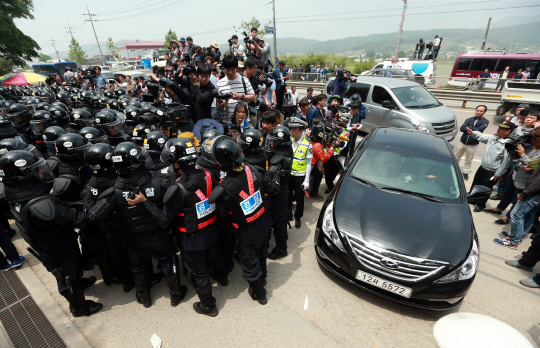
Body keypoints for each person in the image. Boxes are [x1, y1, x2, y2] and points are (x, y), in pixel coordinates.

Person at [0, 150, 103, 316]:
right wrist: (92, 206)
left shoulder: (15, 195)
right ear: (25, 176)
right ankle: (79, 307)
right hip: (57, 246)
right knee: (66, 276)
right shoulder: (40, 204)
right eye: (36, 170)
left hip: (46, 243)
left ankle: (78, 284)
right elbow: (76, 219)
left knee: (67, 271)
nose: (41, 171)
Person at [111, 142, 187, 308]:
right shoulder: (160, 183)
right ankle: (175, 294)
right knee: (168, 263)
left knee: (139, 267)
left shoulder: (113, 190)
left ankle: (144, 297)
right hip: (159, 235)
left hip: (135, 238)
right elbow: (170, 214)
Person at [159, 138, 224, 316]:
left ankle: (208, 305)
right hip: (211, 230)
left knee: (199, 273)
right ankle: (223, 278)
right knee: (214, 257)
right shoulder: (209, 175)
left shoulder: (177, 188)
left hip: (191, 239)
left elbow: (166, 218)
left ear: (176, 162)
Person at [205, 136, 272, 305]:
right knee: (262, 252)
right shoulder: (253, 169)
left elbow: (222, 216)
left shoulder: (224, 189)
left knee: (249, 261)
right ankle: (262, 278)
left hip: (246, 230)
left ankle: (259, 292)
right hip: (263, 221)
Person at [467, 121, 516, 212]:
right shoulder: (493, 137)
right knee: (476, 183)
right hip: (483, 167)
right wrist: (473, 133)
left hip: (493, 171)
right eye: (499, 127)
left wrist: (498, 173)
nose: (498, 129)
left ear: (508, 131)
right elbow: (482, 136)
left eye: (502, 129)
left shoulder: (508, 144)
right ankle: (472, 199)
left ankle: (481, 205)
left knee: (485, 188)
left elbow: (507, 162)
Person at [264, 120, 293, 260]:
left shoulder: (279, 159)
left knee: (278, 221)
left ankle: (281, 248)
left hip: (278, 192)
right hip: (282, 188)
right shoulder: (285, 151)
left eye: (274, 141)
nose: (270, 143)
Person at [216, 55, 256, 127]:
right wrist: (221, 105)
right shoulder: (220, 83)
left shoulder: (244, 80)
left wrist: (241, 97)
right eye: (227, 69)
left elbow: (253, 97)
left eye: (233, 69)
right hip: (228, 122)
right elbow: (218, 104)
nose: (230, 72)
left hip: (244, 122)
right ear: (223, 68)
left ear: (236, 68)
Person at [287, 118, 312, 228]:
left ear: (301, 131)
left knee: (299, 198)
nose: (292, 131)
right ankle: (288, 214)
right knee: (287, 196)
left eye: (295, 129)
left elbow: (308, 163)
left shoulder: (307, 144)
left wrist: (306, 181)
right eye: (291, 129)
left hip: (300, 176)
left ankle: (298, 217)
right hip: (289, 175)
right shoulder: (289, 141)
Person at [454, 105, 490, 181]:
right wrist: (473, 129)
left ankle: (465, 172)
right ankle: (454, 169)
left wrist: (469, 127)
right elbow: (462, 128)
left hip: (472, 145)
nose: (478, 112)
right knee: (456, 157)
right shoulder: (469, 119)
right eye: (477, 110)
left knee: (468, 160)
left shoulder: (485, 121)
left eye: (481, 111)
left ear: (484, 112)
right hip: (462, 142)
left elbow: (479, 130)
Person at [309, 122, 338, 200]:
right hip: (309, 165)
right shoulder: (317, 145)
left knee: (317, 175)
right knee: (301, 187)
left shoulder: (310, 138)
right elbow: (324, 158)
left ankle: (312, 191)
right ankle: (312, 193)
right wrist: (332, 148)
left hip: (309, 163)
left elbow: (324, 145)